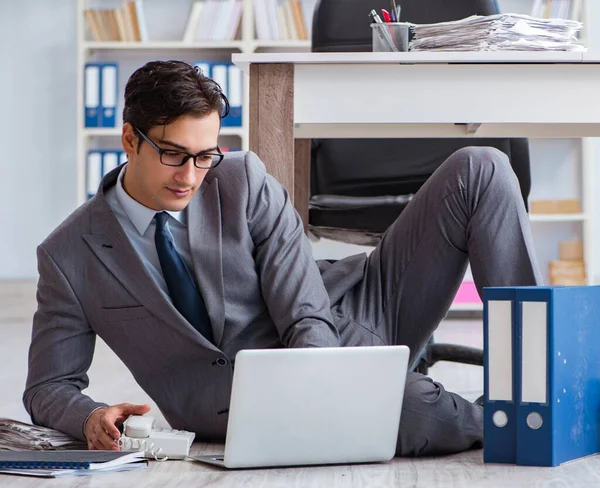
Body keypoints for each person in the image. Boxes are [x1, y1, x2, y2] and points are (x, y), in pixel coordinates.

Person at [23, 60, 542, 457]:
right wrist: (89, 417)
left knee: (483, 167)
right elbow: (49, 386)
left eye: (205, 156)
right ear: (129, 139)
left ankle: (535, 379)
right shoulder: (70, 255)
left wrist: (334, 383)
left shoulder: (241, 178)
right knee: (409, 409)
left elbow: (305, 313)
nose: (190, 175)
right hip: (240, 403)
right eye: (173, 154)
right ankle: (516, 419)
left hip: (355, 311)